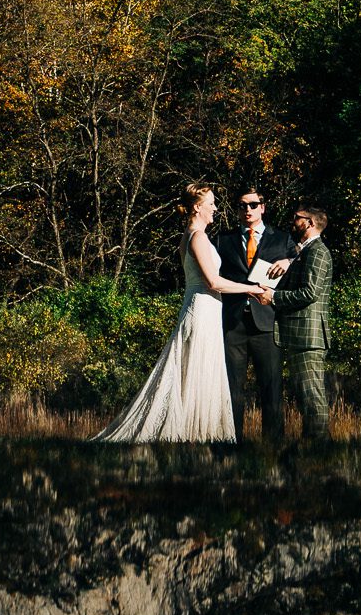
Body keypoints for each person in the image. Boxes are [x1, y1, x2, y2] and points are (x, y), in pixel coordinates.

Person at [94, 185, 262, 443]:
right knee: (196, 366)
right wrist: (252, 289)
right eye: (212, 203)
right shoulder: (197, 237)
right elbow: (213, 283)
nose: (215, 208)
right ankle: (194, 432)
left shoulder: (191, 235)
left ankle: (197, 432)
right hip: (203, 308)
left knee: (196, 366)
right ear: (198, 207)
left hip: (203, 307)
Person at [221, 186, 296, 441]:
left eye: (253, 205)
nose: (247, 210)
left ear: (262, 207)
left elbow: (305, 261)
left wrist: (289, 261)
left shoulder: (282, 239)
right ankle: (232, 442)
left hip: (266, 321)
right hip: (233, 324)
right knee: (232, 388)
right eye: (242, 205)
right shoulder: (223, 240)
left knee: (271, 386)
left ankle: (272, 446)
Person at [265, 205, 338, 440]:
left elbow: (309, 293)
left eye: (297, 218)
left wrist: (274, 297)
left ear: (310, 223)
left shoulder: (317, 251)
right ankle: (313, 446)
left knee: (312, 395)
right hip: (301, 335)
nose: (293, 221)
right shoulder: (305, 251)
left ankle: (319, 448)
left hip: (309, 335)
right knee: (305, 394)